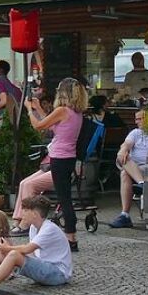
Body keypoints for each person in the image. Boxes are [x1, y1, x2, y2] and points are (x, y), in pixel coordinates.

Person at [24, 77, 88, 251]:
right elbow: (52, 126)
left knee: (64, 198)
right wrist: (38, 108)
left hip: (59, 158)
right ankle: (71, 236)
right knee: (65, 196)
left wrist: (30, 110)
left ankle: (71, 237)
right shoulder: (76, 112)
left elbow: (38, 126)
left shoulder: (62, 110)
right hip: (69, 158)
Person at [109, 110, 148, 228]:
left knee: (125, 173)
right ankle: (141, 184)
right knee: (121, 157)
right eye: (136, 119)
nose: (137, 122)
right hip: (136, 168)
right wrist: (124, 150)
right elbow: (126, 144)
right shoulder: (135, 133)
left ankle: (125, 215)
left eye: (141, 118)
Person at [10, 153, 53, 237]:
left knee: (30, 185)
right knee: (23, 183)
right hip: (48, 165)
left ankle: (26, 223)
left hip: (60, 165)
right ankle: (18, 220)